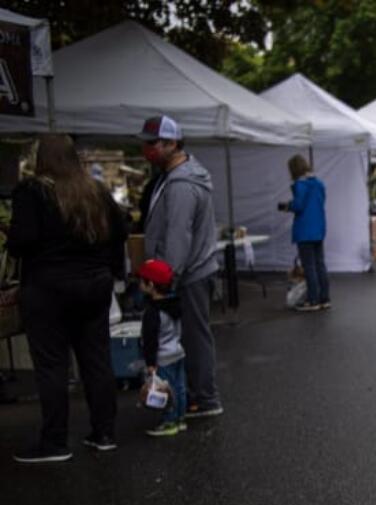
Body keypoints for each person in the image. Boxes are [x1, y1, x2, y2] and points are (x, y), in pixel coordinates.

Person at [9, 134, 128, 462]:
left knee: (51, 365)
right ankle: (104, 433)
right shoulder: (95, 190)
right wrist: (111, 269)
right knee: (96, 360)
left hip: (48, 288)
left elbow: (24, 239)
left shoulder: (32, 191)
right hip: (94, 284)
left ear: (41, 158)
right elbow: (121, 229)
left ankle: (55, 442)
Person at [139, 114, 223, 419]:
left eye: (152, 143)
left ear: (172, 143)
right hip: (191, 271)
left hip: (187, 273)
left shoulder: (181, 183)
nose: (147, 150)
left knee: (192, 337)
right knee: (190, 336)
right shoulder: (178, 177)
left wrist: (163, 276)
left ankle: (204, 397)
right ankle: (197, 394)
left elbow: (177, 234)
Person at [135, 259, 187, 437]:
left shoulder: (153, 312)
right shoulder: (175, 304)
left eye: (142, 281)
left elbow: (150, 340)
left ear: (151, 285)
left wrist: (150, 362)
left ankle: (169, 421)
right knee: (179, 387)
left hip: (163, 357)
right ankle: (180, 419)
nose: (139, 284)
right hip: (178, 351)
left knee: (166, 392)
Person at [283, 155, 330, 312]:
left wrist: (288, 206)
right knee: (320, 265)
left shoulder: (300, 185)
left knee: (309, 266)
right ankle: (325, 298)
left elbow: (299, 205)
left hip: (305, 230)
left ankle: (312, 300)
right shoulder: (319, 183)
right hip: (319, 229)